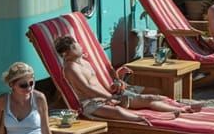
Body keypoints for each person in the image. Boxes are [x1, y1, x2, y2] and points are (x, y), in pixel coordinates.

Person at [56, 36, 201, 125]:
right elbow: (87, 89)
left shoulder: (84, 62)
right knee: (118, 111)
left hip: (108, 96)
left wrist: (115, 86)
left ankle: (181, 109)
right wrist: (110, 98)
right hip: (91, 103)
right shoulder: (71, 68)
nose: (80, 46)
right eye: (75, 45)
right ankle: (146, 120)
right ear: (67, 53)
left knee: (149, 98)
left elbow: (100, 83)